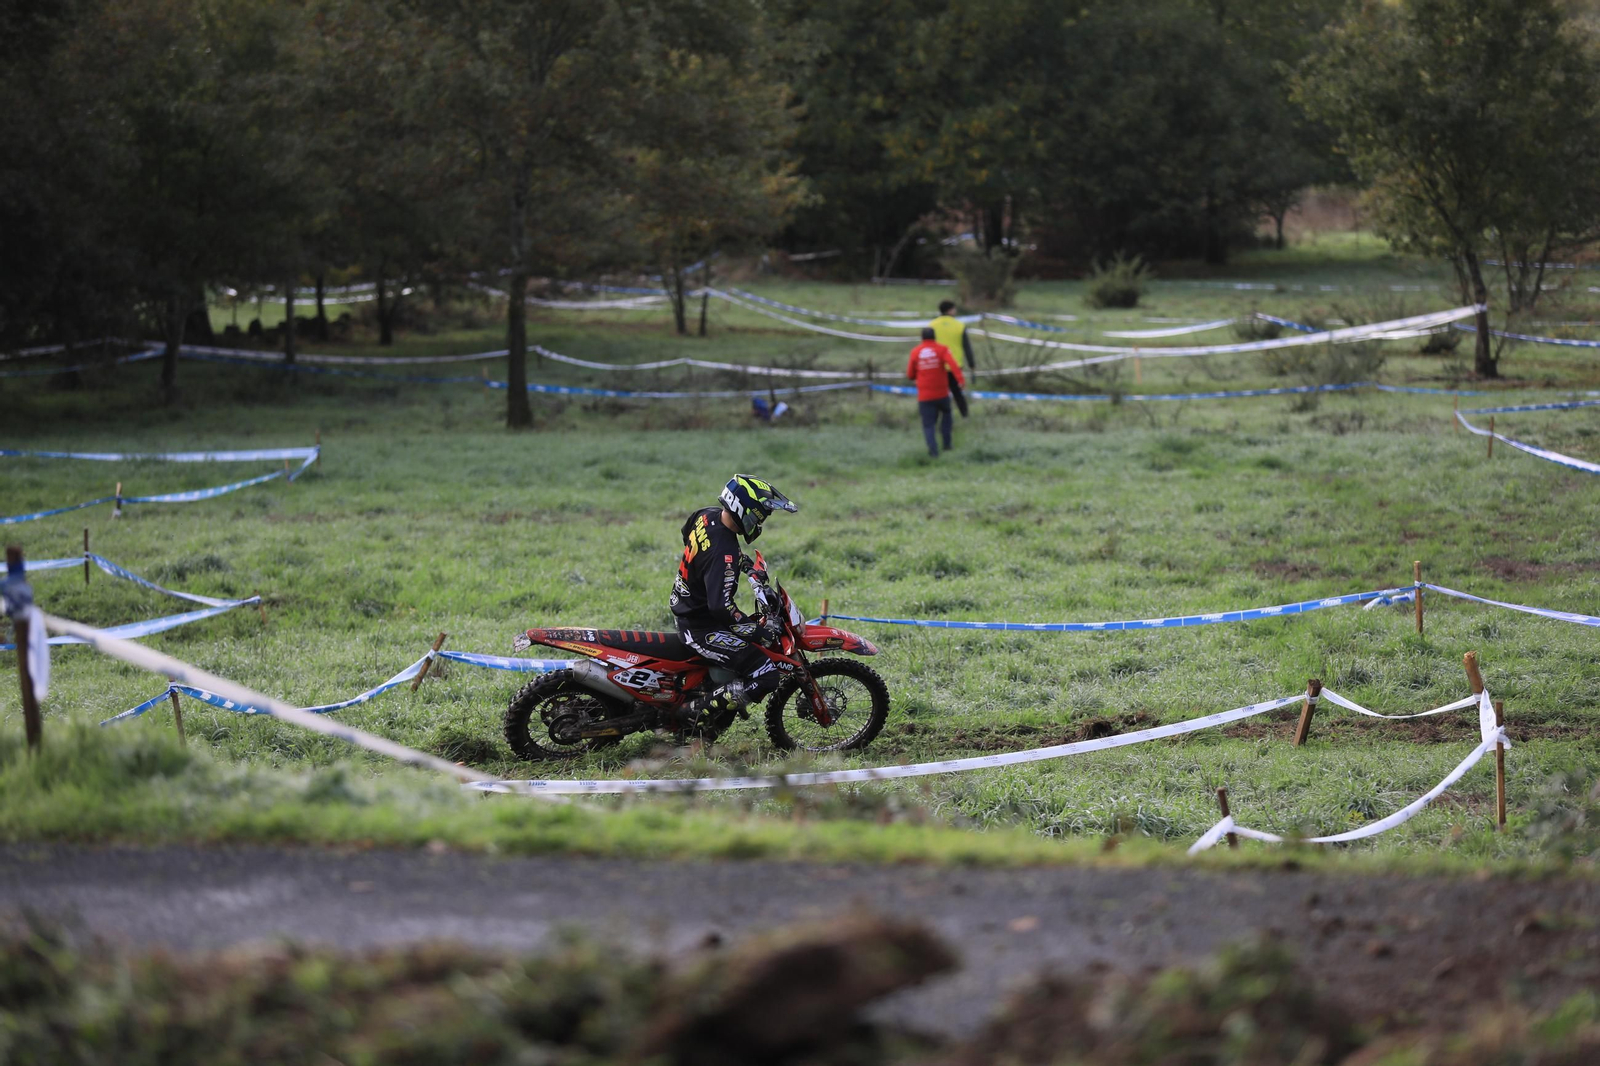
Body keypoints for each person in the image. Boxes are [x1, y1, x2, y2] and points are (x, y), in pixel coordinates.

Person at [668, 475, 799, 729]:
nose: (763, 520)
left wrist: (744, 566)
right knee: (767, 674)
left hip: (689, 607)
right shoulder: (724, 551)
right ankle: (694, 712)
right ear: (746, 511)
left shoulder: (707, 515)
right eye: (762, 515)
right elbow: (722, 608)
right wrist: (759, 632)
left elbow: (689, 535)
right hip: (701, 628)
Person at [906, 327, 965, 458]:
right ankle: (947, 445)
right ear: (934, 337)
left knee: (928, 425)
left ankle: (933, 452)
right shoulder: (942, 349)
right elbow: (953, 365)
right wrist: (960, 380)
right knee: (947, 415)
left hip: (925, 396)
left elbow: (910, 374)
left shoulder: (915, 352)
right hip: (942, 394)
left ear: (922, 338)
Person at [931, 299, 976, 416]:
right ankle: (964, 414)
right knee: (957, 393)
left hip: (937, 365)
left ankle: (937, 414)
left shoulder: (932, 325)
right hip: (955, 365)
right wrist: (971, 363)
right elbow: (967, 347)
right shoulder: (959, 326)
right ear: (950, 310)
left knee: (938, 392)